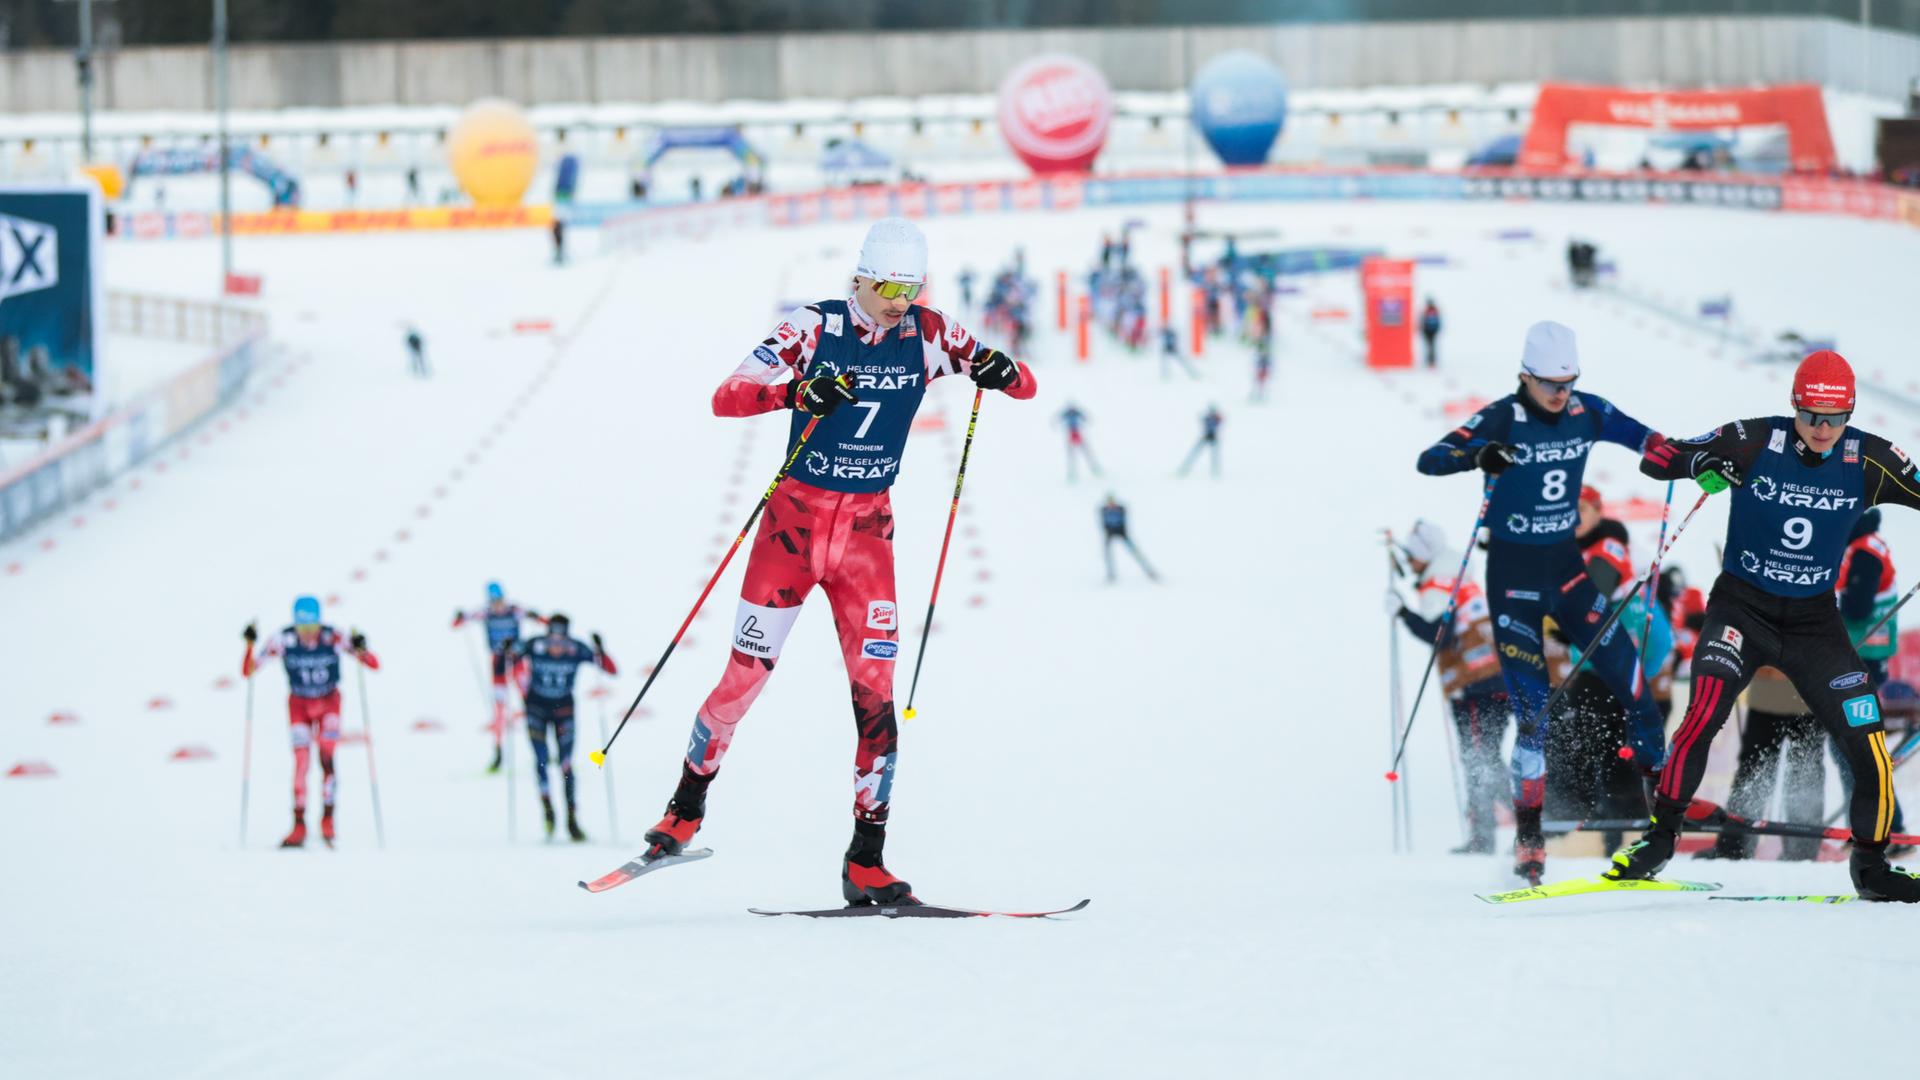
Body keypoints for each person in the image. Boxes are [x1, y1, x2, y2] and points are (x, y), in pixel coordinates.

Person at [642, 217, 1037, 906]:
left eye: (911, 287)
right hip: (791, 531)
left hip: (865, 538)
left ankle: (866, 860)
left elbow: (1023, 383)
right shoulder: (813, 328)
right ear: (858, 277)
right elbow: (725, 398)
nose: (898, 300)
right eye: (886, 285)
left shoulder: (931, 333)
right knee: (743, 679)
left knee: (876, 701)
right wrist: (795, 392)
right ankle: (683, 809)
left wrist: (1002, 371)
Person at [1609, 350, 1920, 901]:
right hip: (1741, 610)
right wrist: (1702, 466)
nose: (1823, 430)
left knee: (1868, 745)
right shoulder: (1754, 440)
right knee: (1704, 711)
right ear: (1793, 407)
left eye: (1836, 418)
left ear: (1850, 413)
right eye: (1811, 417)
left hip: (1813, 623)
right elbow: (1657, 460)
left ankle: (1871, 865)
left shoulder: (1869, 458)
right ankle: (1659, 839)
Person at [1416, 320, 1671, 883]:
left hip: (1568, 575)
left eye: (1569, 381)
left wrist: (1687, 459)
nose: (1562, 393)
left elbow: (1653, 442)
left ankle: (1664, 827)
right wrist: (1479, 455)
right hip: (1513, 582)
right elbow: (1430, 459)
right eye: (1551, 383)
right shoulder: (1504, 416)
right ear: (1525, 377)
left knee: (1639, 695)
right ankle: (1529, 840)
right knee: (1533, 719)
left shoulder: (1588, 411)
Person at [1388, 521, 1509, 853]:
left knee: (1479, 758)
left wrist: (1403, 613)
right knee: (1485, 756)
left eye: (1411, 556)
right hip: (1494, 678)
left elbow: (1438, 634)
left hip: (1475, 684)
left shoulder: (1436, 586)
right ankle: (1518, 823)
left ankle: (1515, 824)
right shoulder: (1457, 577)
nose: (1409, 563)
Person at [242, 596, 379, 848]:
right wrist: (249, 644)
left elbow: (373, 663)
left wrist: (361, 646)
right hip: (299, 706)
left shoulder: (332, 637)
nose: (307, 633)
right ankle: (299, 825)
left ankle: (327, 821)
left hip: (329, 703)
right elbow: (249, 669)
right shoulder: (284, 639)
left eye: (312, 626)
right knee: (302, 763)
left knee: (326, 758)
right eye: (302, 627)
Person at [1699, 668, 1825, 861]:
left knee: (1803, 774)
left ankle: (1800, 849)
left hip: (1804, 697)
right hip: (1776, 696)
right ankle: (1736, 846)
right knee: (1758, 772)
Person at [1835, 507, 1908, 837]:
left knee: (1854, 748)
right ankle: (1881, 825)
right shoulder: (1864, 543)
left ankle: (1884, 826)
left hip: (1863, 658)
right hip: (1864, 656)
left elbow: (1857, 607)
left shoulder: (1865, 551)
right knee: (1854, 747)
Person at [510, 614, 616, 842]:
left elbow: (610, 669)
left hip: (564, 711)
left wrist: (600, 649)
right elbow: (506, 659)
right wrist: (509, 650)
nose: (556, 646)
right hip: (536, 709)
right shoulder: (534, 644)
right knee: (541, 760)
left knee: (566, 764)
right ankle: (548, 811)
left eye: (561, 640)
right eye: (552, 640)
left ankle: (572, 819)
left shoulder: (576, 648)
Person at [453, 582, 542, 772]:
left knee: (531, 703)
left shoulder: (515, 610)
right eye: (494, 601)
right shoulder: (486, 613)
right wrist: (459, 616)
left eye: (499, 600)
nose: (497, 605)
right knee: (499, 708)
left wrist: (536, 616)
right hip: (498, 664)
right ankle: (498, 750)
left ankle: (541, 745)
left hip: (517, 663)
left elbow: (542, 619)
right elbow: (459, 622)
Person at [1101, 494, 1158, 584]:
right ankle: (1110, 574)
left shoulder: (1120, 509)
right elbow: (1103, 523)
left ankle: (1149, 570)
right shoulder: (1104, 510)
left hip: (1122, 532)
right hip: (1110, 534)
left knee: (1135, 552)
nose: (1111, 504)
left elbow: (1123, 521)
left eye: (1112, 502)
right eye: (1109, 502)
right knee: (1107, 554)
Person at [1057, 403, 1101, 482]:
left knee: (1084, 452)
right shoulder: (1068, 413)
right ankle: (1072, 473)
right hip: (1072, 434)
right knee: (1073, 454)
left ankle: (1094, 467)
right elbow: (1058, 418)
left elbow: (1085, 417)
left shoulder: (1075, 412)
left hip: (1077, 434)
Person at [1178, 405, 1224, 478]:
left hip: (1212, 437)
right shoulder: (1208, 418)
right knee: (1195, 452)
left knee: (1214, 455)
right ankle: (1185, 467)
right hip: (1206, 436)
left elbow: (1220, 421)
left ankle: (1215, 470)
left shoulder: (1216, 418)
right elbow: (1203, 420)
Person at [1251, 336, 1273, 403]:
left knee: (1261, 383)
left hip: (1263, 370)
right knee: (1257, 382)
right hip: (1261, 369)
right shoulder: (1262, 354)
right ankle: (1256, 394)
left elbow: (1268, 364)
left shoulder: (1266, 356)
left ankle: (1259, 395)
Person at [1420, 299, 1442, 369]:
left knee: (1429, 346)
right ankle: (1432, 361)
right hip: (1433, 331)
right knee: (1432, 346)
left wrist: (1422, 330)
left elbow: (1422, 321)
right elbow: (1438, 321)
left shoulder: (1426, 310)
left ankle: (1430, 361)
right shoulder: (1435, 310)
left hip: (1427, 331)